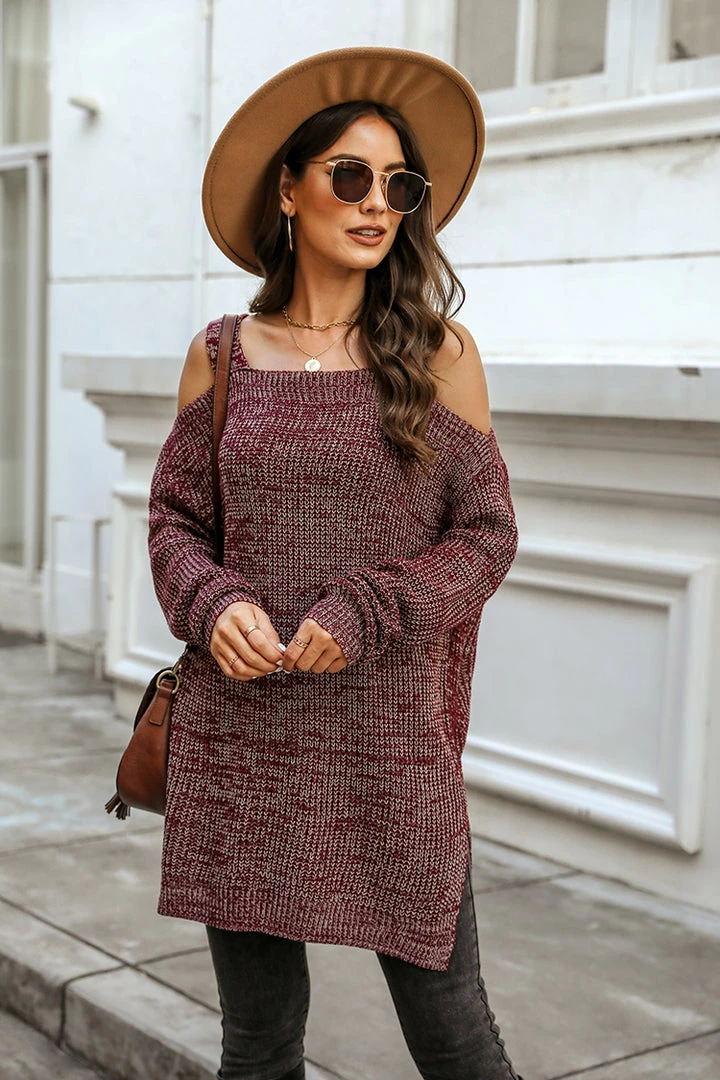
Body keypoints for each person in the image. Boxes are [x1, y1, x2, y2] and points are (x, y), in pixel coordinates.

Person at [148, 47, 523, 1080]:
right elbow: (175, 520)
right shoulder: (222, 355)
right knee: (259, 1047)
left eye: (399, 186)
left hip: (390, 748)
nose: (376, 204)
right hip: (242, 751)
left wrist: (367, 607)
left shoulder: (440, 354)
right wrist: (209, 599)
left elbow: (487, 533)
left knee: (456, 1042)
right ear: (289, 189)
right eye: (350, 175)